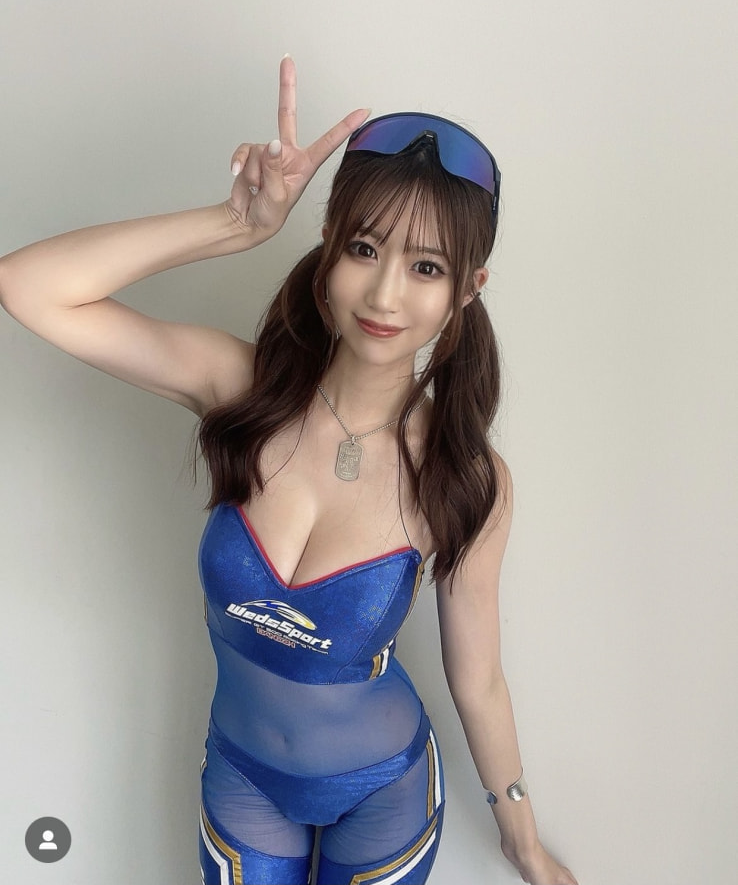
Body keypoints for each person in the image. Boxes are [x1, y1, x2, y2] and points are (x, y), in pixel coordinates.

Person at [0, 57, 578, 885]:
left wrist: (522, 837)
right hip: (243, 781)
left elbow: (478, 679)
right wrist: (233, 224)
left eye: (426, 267)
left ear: (466, 290)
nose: (384, 294)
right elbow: (27, 286)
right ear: (329, 250)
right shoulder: (237, 386)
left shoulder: (465, 476)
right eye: (364, 248)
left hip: (384, 794)